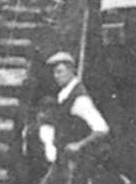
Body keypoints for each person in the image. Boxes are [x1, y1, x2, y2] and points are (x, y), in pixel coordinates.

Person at [45, 51, 110, 184]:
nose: (56, 76)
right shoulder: (64, 95)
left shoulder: (79, 99)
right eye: (54, 73)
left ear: (71, 71)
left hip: (77, 163)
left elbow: (102, 129)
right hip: (62, 159)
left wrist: (79, 145)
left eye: (60, 72)